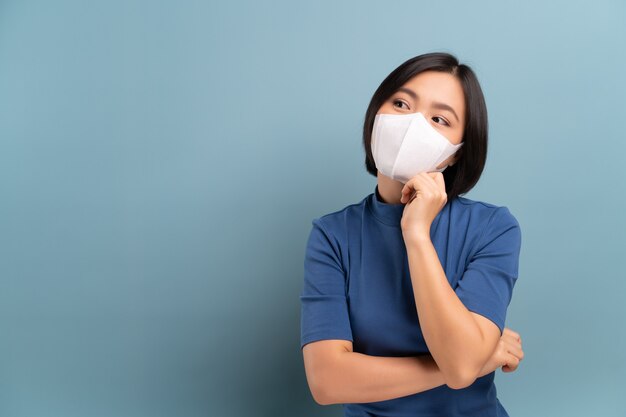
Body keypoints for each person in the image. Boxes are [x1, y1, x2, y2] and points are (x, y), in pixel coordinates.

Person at [299, 52, 524, 417]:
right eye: (401, 103)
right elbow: (327, 382)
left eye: (439, 119)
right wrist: (476, 360)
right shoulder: (332, 235)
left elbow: (462, 363)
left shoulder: (492, 228)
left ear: (455, 153)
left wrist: (417, 233)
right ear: (376, 116)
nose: (413, 124)